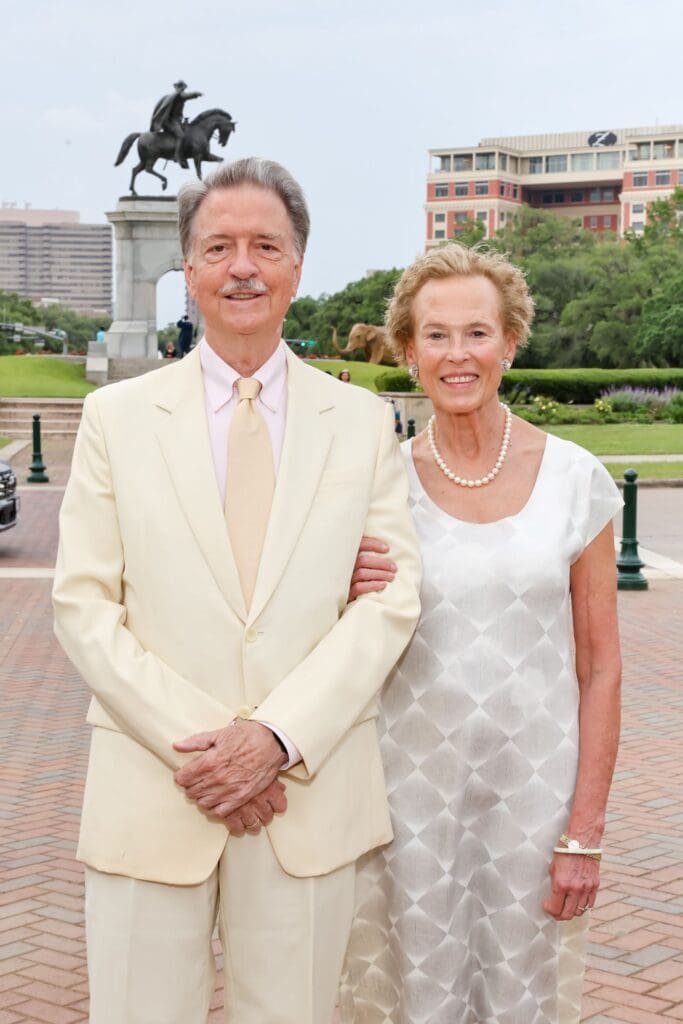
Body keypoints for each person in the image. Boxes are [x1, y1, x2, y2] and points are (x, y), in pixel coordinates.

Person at [52, 157, 421, 1024]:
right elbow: (83, 605)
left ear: (297, 266)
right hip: (153, 791)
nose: (242, 266)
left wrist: (275, 738)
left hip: (306, 800)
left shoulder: (362, 422)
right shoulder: (116, 419)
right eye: (219, 247)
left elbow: (390, 599)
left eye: (265, 245)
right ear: (188, 269)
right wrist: (215, 751)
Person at [340, 243, 622, 1024]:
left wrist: (583, 831)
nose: (456, 354)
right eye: (436, 335)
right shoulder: (376, 487)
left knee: (518, 1000)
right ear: (408, 350)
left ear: (509, 343)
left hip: (533, 802)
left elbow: (599, 666)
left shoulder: (574, 479)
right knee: (412, 999)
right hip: (404, 800)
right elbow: (337, 644)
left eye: (476, 332)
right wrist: (339, 590)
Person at [150, 80, 203, 167]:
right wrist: (196, 94)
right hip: (170, 121)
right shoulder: (179, 95)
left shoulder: (176, 96)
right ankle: (176, 155)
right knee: (181, 135)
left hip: (177, 120)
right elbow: (187, 96)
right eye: (182, 88)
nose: (183, 89)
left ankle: (183, 153)